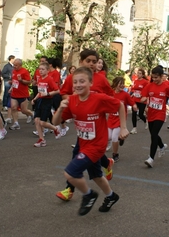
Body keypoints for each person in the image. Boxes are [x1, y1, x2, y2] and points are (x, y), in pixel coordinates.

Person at [53, 66, 129, 216]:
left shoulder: (98, 98)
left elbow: (119, 105)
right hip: (84, 144)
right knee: (96, 176)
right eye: (75, 82)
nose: (78, 84)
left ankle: (88, 194)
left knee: (70, 173)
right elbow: (56, 122)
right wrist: (60, 109)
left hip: (97, 145)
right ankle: (111, 196)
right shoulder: (71, 100)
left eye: (82, 81)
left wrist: (123, 128)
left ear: (90, 83)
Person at [55, 49, 115, 201]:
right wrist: (75, 101)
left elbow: (111, 98)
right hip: (81, 122)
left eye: (94, 62)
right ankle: (106, 164)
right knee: (87, 154)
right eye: (88, 61)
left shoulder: (101, 79)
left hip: (96, 124)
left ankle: (70, 189)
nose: (92, 64)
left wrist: (97, 104)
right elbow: (64, 93)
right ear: (81, 62)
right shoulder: (72, 78)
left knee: (79, 154)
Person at [141, 67, 169, 168]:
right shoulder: (149, 86)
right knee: (153, 134)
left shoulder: (166, 86)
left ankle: (151, 158)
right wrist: (144, 100)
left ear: (161, 76)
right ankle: (162, 146)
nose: (154, 79)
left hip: (160, 114)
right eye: (153, 77)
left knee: (154, 135)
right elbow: (143, 97)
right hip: (151, 113)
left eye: (156, 77)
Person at [107, 77, 137, 162]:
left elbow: (131, 102)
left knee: (114, 138)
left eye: (123, 84)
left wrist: (134, 106)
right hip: (111, 118)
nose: (122, 85)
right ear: (115, 84)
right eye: (120, 84)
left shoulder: (125, 94)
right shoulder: (111, 93)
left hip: (120, 120)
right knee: (108, 137)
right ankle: (121, 138)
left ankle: (115, 154)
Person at [31, 62, 61, 147]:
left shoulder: (49, 79)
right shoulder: (40, 79)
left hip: (47, 101)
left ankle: (56, 128)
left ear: (48, 70)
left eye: (43, 69)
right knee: (36, 120)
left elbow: (57, 90)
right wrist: (34, 99)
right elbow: (40, 92)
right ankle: (42, 139)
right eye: (39, 69)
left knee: (42, 123)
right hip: (40, 101)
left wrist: (47, 94)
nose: (40, 71)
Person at [8, 58, 34, 130]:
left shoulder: (24, 71)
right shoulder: (13, 71)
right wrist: (11, 86)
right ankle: (16, 123)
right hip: (14, 93)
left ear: (20, 65)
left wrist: (21, 80)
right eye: (13, 65)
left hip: (23, 94)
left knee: (23, 110)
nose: (14, 66)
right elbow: (14, 81)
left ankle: (32, 114)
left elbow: (29, 82)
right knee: (13, 107)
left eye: (16, 65)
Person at [130, 68, 149, 134]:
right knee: (134, 113)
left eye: (140, 73)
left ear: (143, 75)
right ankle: (134, 128)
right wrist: (132, 94)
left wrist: (145, 97)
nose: (138, 74)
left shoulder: (145, 82)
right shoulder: (135, 81)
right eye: (138, 73)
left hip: (142, 100)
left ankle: (145, 121)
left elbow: (147, 91)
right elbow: (133, 89)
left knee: (140, 114)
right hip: (135, 99)